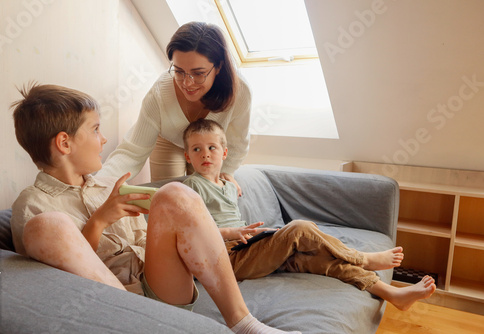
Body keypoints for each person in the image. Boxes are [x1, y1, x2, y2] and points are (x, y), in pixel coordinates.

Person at [9, 83, 300, 334]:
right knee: (47, 226)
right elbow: (58, 277)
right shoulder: (34, 205)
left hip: (158, 287)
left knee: (174, 192)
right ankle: (134, 320)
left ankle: (244, 323)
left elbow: (151, 241)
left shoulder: (111, 187)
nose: (104, 139)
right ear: (64, 143)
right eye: (96, 129)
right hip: (112, 306)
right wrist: (98, 222)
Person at [182, 118, 437, 311]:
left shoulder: (227, 184)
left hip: (250, 249)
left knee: (318, 261)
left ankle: (391, 294)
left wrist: (227, 179)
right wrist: (230, 232)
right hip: (227, 257)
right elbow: (190, 232)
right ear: (187, 156)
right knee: (300, 228)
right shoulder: (191, 187)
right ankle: (362, 258)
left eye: (212, 147)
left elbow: (223, 187)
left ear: (224, 153)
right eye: (196, 149)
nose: (205, 154)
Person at [98, 21, 251, 196]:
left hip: (208, 143)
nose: (187, 83)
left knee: (208, 193)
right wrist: (97, 185)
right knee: (170, 197)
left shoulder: (240, 92)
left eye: (198, 73)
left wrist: (226, 172)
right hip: (168, 139)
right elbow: (132, 152)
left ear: (219, 67)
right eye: (178, 71)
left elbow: (238, 142)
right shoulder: (159, 94)